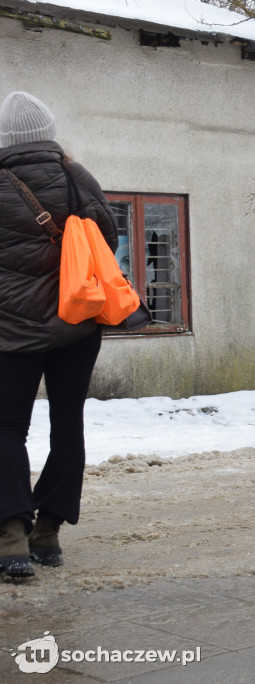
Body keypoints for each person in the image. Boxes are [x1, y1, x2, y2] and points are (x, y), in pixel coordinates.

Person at [0, 92, 118, 578]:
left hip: (9, 330)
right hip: (77, 322)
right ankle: (48, 533)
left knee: (6, 429)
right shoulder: (77, 177)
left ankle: (10, 538)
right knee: (68, 422)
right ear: (48, 133)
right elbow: (108, 239)